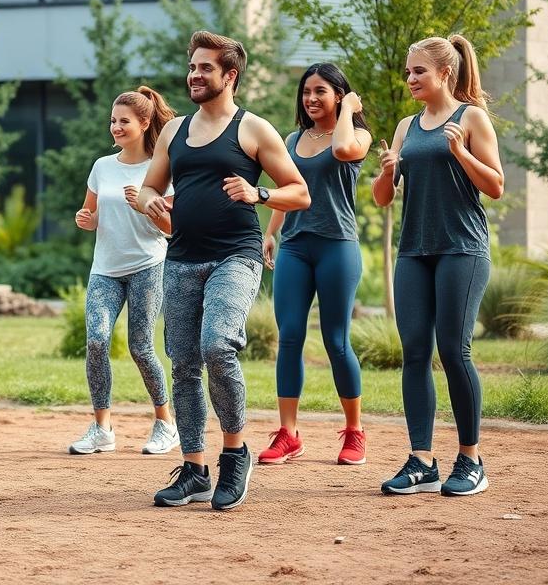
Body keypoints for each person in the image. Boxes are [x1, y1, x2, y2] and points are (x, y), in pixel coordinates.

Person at [137, 30, 310, 511]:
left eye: (205, 67)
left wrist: (258, 194)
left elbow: (299, 191)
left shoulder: (253, 129)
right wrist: (153, 203)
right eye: (192, 66)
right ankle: (194, 469)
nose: (194, 75)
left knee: (217, 344)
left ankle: (235, 454)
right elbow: (151, 187)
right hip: (181, 256)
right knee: (184, 362)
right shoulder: (174, 132)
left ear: (229, 75)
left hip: (236, 254)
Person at [373, 35, 503, 497]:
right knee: (414, 353)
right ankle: (422, 460)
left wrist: (461, 153)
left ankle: (470, 460)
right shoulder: (408, 126)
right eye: (408, 72)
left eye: (418, 72)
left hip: (461, 249)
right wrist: (388, 170)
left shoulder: (471, 118)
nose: (410, 79)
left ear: (444, 73)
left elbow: (496, 186)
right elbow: (383, 199)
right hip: (414, 251)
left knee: (453, 350)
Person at [260, 63, 372, 466]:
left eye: (321, 91)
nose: (310, 99)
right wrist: (270, 232)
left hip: (337, 246)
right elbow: (289, 190)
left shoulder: (357, 134)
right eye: (306, 91)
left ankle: (354, 431)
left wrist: (348, 112)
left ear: (339, 95)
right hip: (295, 246)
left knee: (336, 340)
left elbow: (343, 151)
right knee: (289, 336)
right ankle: (288, 433)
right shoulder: (292, 139)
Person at [68, 86, 179, 456]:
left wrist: (146, 206)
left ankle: (166, 423)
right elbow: (92, 216)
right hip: (105, 269)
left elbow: (171, 228)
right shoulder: (102, 166)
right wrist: (86, 219)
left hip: (148, 266)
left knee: (141, 347)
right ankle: (102, 428)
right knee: (96, 340)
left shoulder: (159, 168)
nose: (115, 127)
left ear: (145, 123)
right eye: (113, 120)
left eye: (124, 121)